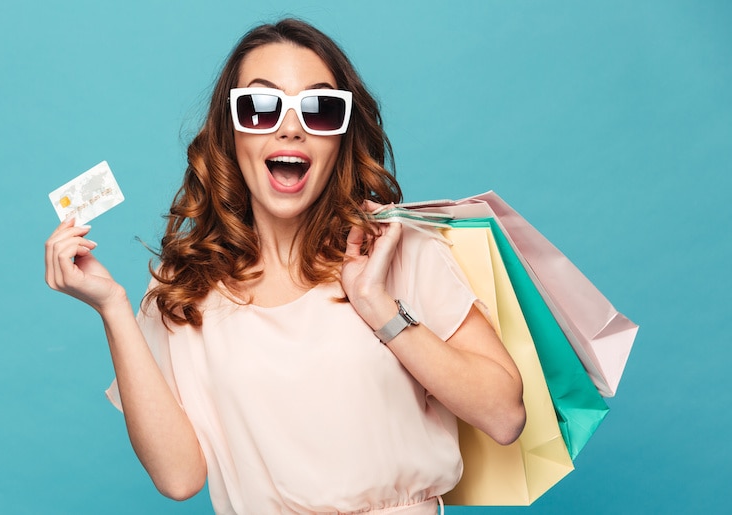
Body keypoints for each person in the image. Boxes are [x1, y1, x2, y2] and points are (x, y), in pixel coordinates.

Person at [45, 18, 525, 515]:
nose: (290, 127)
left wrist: (377, 305)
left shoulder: (396, 250)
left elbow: (505, 416)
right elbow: (179, 477)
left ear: (340, 137)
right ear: (230, 133)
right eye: (259, 107)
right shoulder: (185, 287)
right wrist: (114, 307)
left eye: (318, 110)